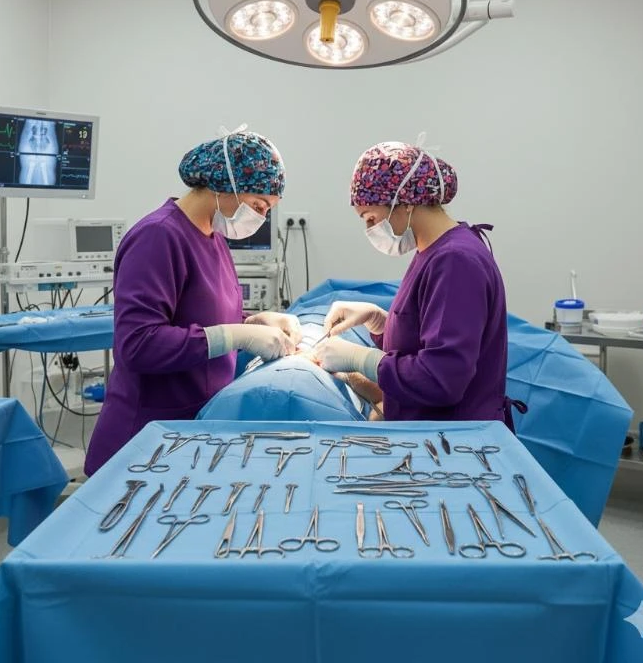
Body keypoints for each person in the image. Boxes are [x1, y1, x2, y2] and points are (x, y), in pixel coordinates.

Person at [85, 127, 300, 474]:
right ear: (226, 185)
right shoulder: (158, 236)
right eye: (258, 206)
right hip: (143, 440)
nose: (260, 218)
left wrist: (254, 322)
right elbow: (138, 344)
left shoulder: (213, 237)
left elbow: (201, 316)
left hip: (189, 431)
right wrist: (238, 335)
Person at [314, 140, 520, 428]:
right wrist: (380, 323)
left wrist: (361, 359)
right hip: (436, 431)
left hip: (455, 439)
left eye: (371, 218)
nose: (370, 229)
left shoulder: (455, 260)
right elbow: (428, 336)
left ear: (406, 201)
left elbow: (441, 378)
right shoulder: (433, 250)